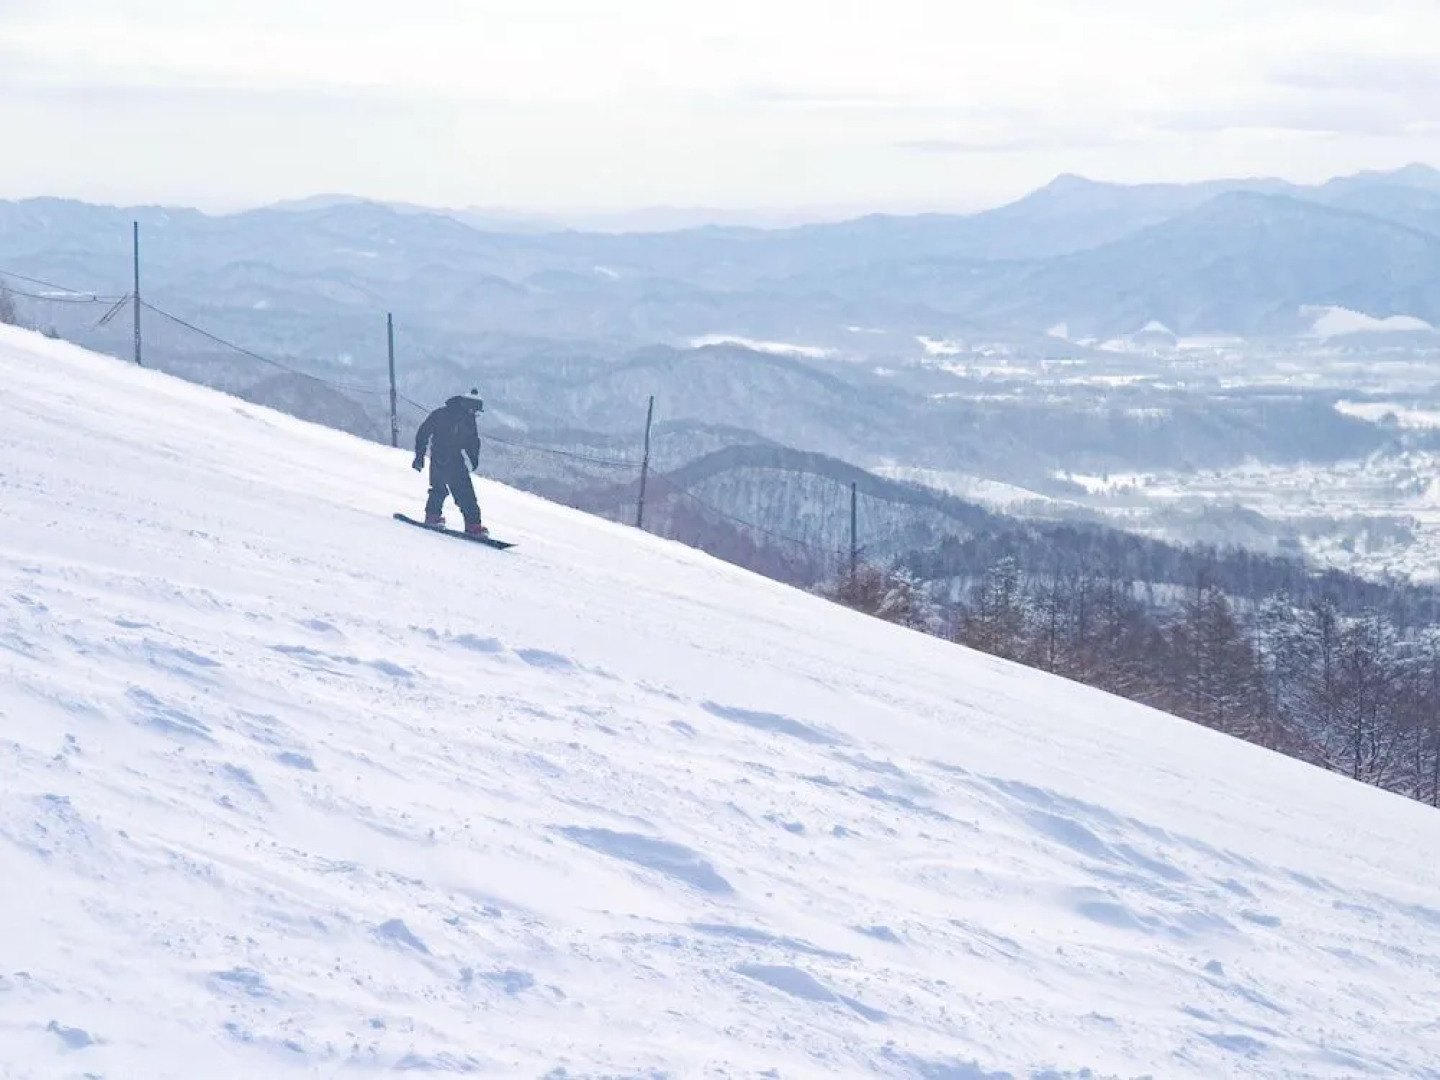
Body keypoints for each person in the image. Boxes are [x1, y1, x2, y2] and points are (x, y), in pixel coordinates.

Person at [413, 389, 487, 535]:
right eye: (474, 411)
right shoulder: (441, 415)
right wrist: (419, 456)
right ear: (466, 406)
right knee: (439, 488)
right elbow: (423, 434)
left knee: (466, 492)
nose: (475, 415)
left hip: (456, 458)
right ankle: (432, 517)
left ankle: (473, 525)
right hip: (440, 456)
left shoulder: (469, 419)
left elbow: (473, 441)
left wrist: (474, 457)